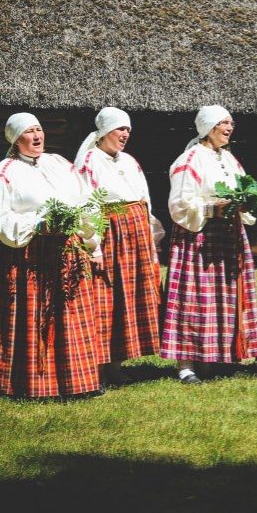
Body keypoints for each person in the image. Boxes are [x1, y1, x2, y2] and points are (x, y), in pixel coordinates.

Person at [0, 112, 101, 398]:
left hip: (66, 251)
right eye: (28, 132)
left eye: (39, 129)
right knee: (31, 316)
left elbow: (85, 201)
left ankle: (77, 383)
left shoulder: (60, 164)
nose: (36, 136)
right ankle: (30, 384)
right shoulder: (5, 171)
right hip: (27, 254)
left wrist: (91, 241)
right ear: (15, 138)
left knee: (69, 314)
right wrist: (36, 224)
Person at [161, 105, 257, 384]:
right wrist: (211, 209)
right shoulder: (190, 160)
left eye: (231, 124)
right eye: (223, 124)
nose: (229, 129)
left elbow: (243, 189)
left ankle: (212, 357)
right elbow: (179, 204)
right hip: (199, 238)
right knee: (192, 299)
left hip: (228, 236)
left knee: (221, 298)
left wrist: (244, 203)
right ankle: (186, 364)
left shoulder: (229, 160)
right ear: (208, 127)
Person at [75, 107, 164, 386]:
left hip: (135, 237)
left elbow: (144, 199)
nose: (125, 134)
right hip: (110, 233)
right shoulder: (89, 161)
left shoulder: (129, 161)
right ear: (104, 132)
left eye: (128, 130)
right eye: (120, 129)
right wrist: (94, 245)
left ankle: (117, 363)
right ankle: (98, 368)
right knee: (106, 299)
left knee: (128, 299)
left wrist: (150, 236)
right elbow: (85, 204)